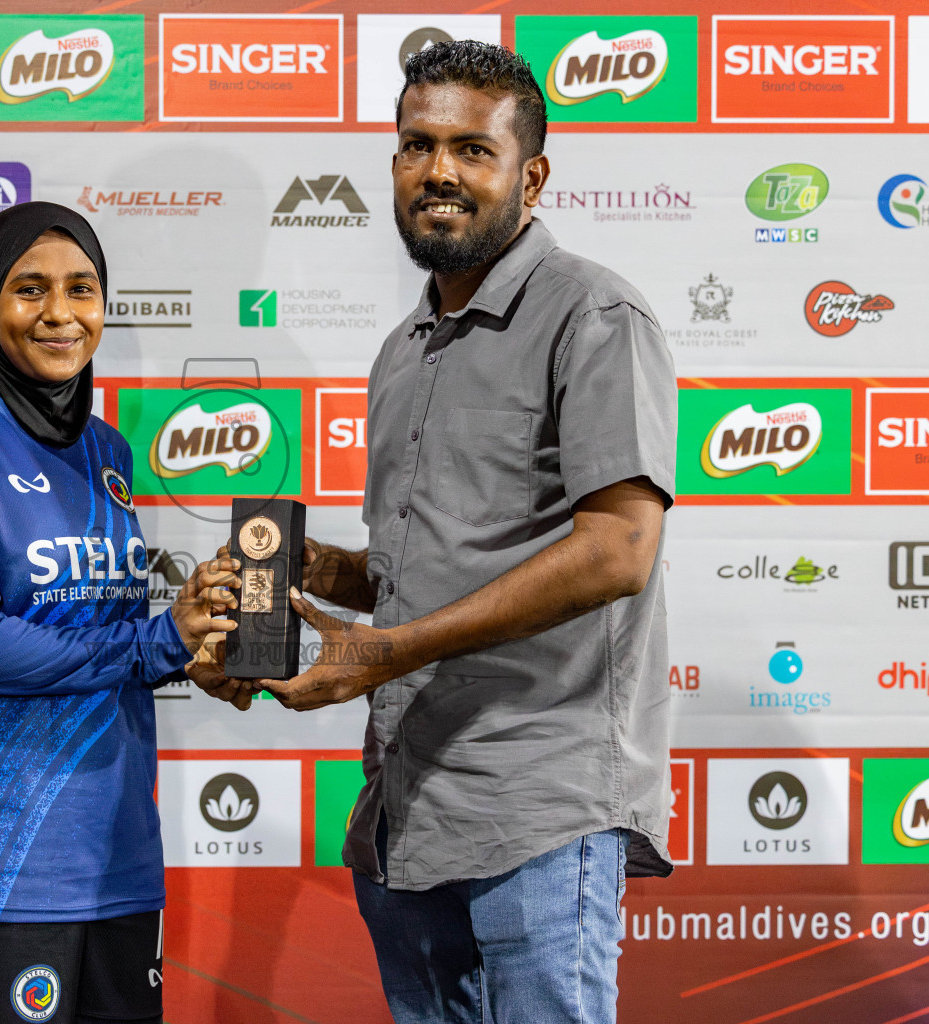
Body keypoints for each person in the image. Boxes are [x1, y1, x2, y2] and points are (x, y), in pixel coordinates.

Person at [194, 40, 677, 1024]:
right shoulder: (401, 352)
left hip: (541, 806)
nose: (440, 171)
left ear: (530, 175)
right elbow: (430, 565)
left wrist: (382, 652)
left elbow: (619, 548)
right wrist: (310, 570)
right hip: (409, 809)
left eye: (472, 148)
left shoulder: (594, 315)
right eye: (418, 145)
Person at [0, 201, 241, 1024]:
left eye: (82, 289)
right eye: (29, 289)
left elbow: (111, 633)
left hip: (116, 853)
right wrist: (154, 642)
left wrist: (200, 646)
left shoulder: (107, 450)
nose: (59, 314)